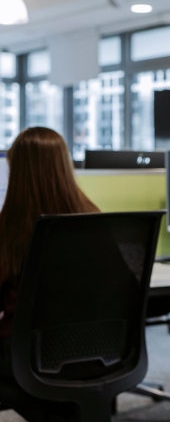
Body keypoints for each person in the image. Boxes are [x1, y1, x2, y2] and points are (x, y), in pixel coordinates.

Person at [0, 127, 100, 378]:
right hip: (95, 351)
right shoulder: (94, 218)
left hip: (23, 357)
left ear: (17, 172)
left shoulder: (9, 228)